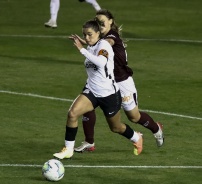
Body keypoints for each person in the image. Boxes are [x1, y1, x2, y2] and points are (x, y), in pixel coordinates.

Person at [72, 9, 164, 153]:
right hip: (101, 81)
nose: (99, 24)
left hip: (121, 81)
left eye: (102, 22)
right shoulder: (96, 41)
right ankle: (89, 141)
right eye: (97, 22)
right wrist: (88, 42)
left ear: (110, 21)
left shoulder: (111, 36)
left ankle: (156, 128)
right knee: (87, 106)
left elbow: (107, 43)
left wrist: (87, 45)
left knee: (134, 117)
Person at [53, 19, 143, 160]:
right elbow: (91, 48)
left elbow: (101, 62)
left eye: (89, 34)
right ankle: (68, 149)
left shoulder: (104, 45)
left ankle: (136, 137)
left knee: (116, 127)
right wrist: (85, 44)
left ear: (98, 33)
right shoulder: (92, 45)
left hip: (109, 94)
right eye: (84, 35)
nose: (87, 38)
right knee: (72, 114)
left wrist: (81, 49)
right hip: (92, 91)